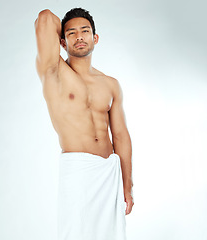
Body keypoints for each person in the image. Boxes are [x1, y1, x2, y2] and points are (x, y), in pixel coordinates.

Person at [34, 7, 134, 240]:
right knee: (76, 234)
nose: (79, 37)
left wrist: (127, 184)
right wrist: (67, 30)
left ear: (95, 38)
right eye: (72, 33)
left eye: (85, 31)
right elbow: (46, 18)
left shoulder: (110, 84)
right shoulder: (53, 72)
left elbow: (121, 136)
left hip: (109, 172)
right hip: (77, 169)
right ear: (61, 41)